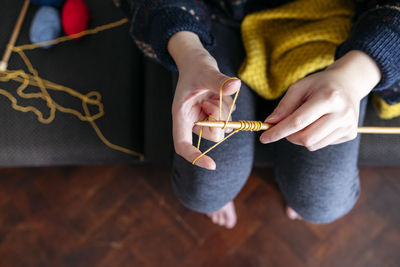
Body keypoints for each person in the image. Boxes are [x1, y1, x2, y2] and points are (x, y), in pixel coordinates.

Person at [118, 0, 400, 228]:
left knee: (322, 200)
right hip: (213, 19)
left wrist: (355, 76)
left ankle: (295, 182)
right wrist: (187, 50)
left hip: (329, 27)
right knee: (205, 191)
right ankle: (251, 185)